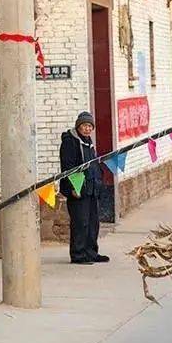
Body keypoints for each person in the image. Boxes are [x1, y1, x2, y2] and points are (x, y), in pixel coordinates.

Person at [59, 112, 109, 265]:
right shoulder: (70, 142)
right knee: (81, 222)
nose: (87, 129)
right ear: (78, 126)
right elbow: (68, 167)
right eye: (84, 126)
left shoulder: (88, 141)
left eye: (89, 126)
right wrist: (73, 187)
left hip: (91, 188)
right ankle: (78, 254)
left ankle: (91, 252)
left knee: (93, 222)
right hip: (78, 189)